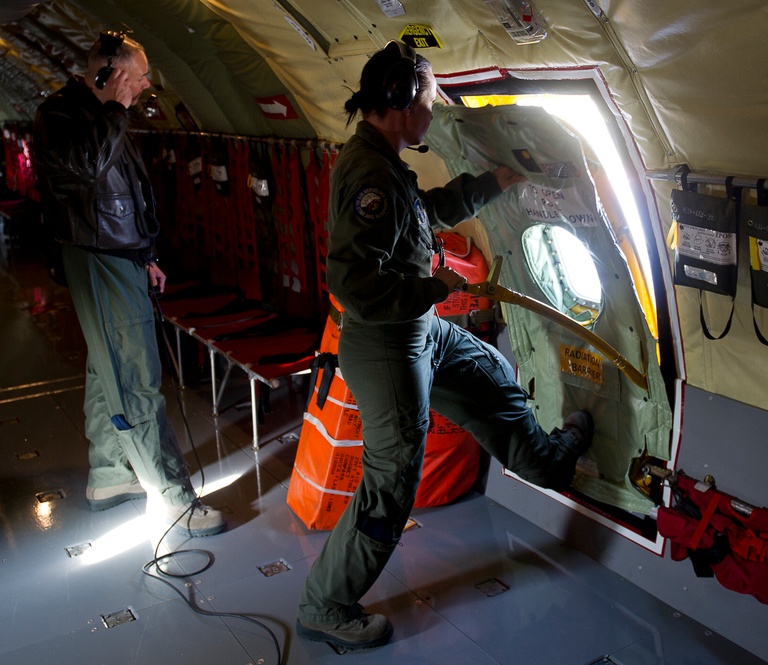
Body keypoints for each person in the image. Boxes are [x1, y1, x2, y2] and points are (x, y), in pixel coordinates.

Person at [296, 40, 593, 652]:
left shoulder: (381, 160)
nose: (433, 113)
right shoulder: (370, 172)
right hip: (385, 346)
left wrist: (491, 184)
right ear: (402, 102)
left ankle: (549, 461)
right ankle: (326, 604)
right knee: (392, 479)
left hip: (414, 333)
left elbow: (419, 213)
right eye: (429, 102)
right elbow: (352, 283)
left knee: (487, 373)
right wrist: (435, 285)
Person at [32, 32, 225, 537]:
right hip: (96, 258)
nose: (143, 86)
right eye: (136, 76)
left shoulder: (103, 115)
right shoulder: (60, 116)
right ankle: (173, 498)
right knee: (135, 377)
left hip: (120, 255)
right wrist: (115, 111)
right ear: (107, 75)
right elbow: (87, 171)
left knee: (106, 369)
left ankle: (111, 477)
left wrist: (145, 255)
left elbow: (127, 194)